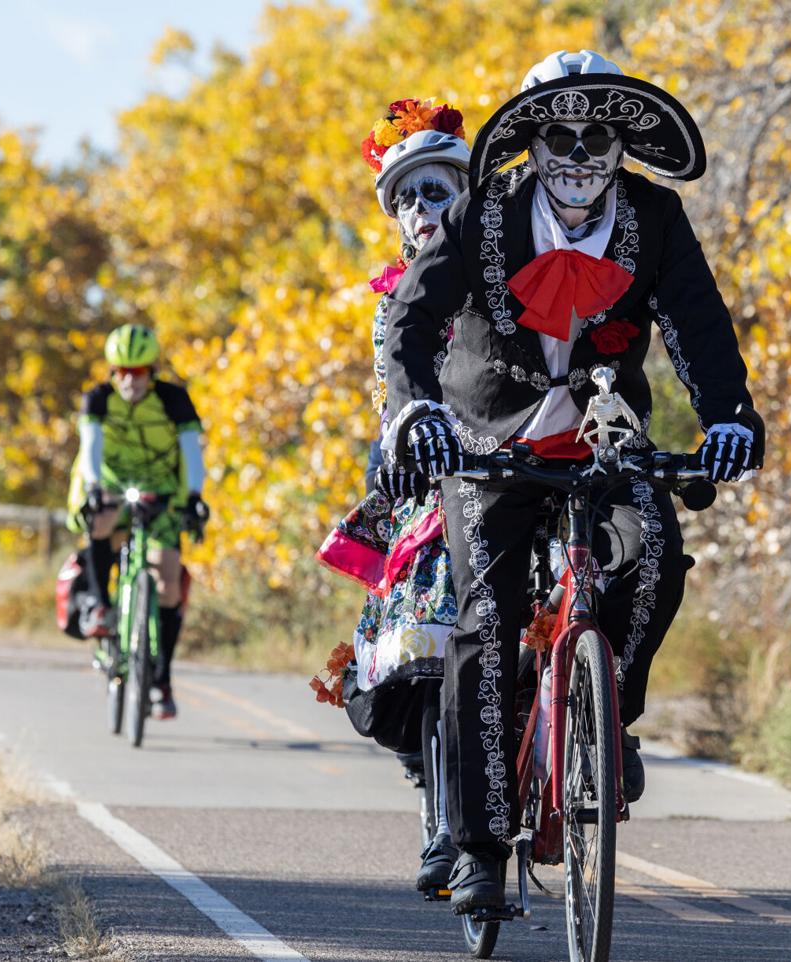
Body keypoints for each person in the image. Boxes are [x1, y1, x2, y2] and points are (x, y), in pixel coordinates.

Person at [380, 51, 765, 913]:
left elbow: (699, 327)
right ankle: (477, 846)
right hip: (490, 439)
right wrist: (413, 413)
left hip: (606, 437)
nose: (582, 153)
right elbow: (411, 313)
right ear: (532, 141)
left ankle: (604, 718)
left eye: (599, 135)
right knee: (486, 617)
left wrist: (731, 418)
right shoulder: (484, 213)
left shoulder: (655, 218)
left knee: (657, 555)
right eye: (562, 134)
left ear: (622, 145)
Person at [314, 99, 470, 893]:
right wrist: (401, 451)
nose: (420, 211)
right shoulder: (391, 302)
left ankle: (602, 728)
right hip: (427, 486)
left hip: (513, 470)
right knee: (421, 645)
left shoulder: (501, 274)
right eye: (405, 198)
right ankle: (439, 805)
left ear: (466, 196)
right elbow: (395, 395)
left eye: (436, 192)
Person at [66, 323, 209, 720]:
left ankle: (160, 680)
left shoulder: (173, 400)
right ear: (112, 371)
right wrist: (94, 487)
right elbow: (91, 446)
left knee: (166, 583)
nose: (130, 380)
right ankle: (99, 604)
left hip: (161, 492)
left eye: (139, 372)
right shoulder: (97, 399)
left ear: (152, 371)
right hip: (112, 485)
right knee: (100, 524)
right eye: (122, 372)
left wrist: (194, 497)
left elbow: (191, 450)